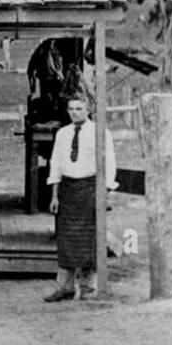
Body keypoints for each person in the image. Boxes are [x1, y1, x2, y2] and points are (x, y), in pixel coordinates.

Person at [44, 96, 116, 301]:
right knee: (66, 240)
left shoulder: (100, 132)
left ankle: (88, 288)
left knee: (89, 240)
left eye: (79, 108)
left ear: (88, 109)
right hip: (67, 190)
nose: (75, 112)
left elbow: (109, 163)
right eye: (71, 108)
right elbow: (55, 164)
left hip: (89, 189)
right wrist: (55, 196)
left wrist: (105, 193)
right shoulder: (62, 133)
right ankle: (65, 287)